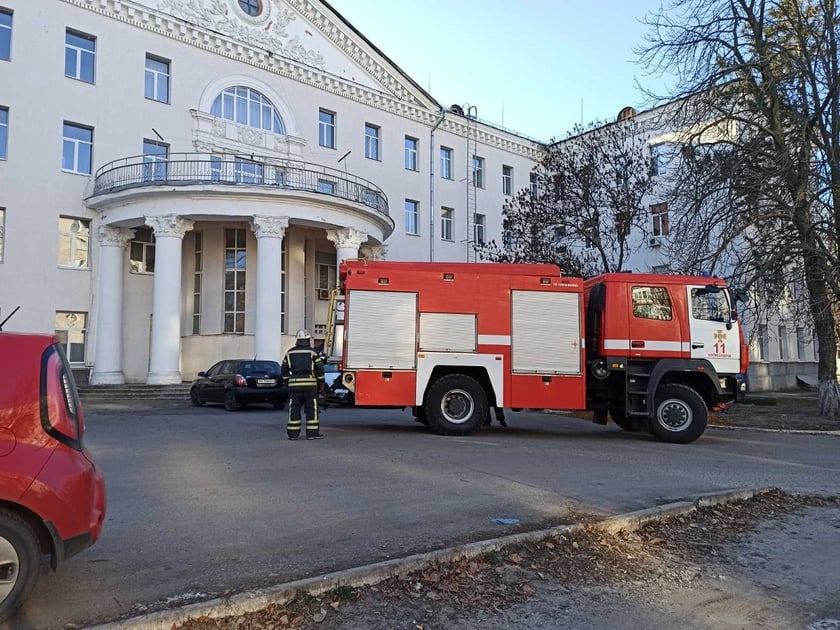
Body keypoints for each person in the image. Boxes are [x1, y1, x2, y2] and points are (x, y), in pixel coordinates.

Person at [281, 329, 326, 440]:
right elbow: (319, 368)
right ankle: (312, 434)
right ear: (307, 340)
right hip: (310, 385)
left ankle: (293, 434)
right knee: (311, 409)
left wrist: (287, 381)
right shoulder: (313, 352)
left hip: (294, 385)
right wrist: (321, 383)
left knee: (294, 409)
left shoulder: (289, 352)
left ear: (298, 340)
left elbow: (284, 368)